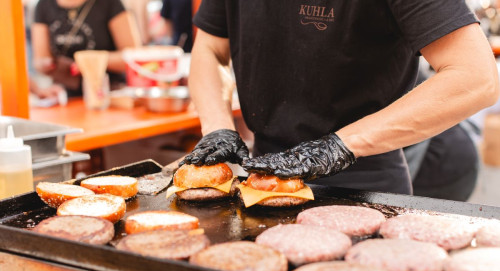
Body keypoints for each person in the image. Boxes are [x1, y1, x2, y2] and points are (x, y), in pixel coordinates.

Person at [181, 0, 500, 196]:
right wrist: (217, 127)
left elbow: (475, 76)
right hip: (262, 176)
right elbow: (210, 49)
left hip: (361, 181)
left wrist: (337, 147)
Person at [31, 0, 142, 97]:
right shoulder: (43, 5)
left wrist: (90, 61)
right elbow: (40, 59)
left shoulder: (109, 2)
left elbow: (134, 57)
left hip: (108, 93)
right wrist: (47, 64)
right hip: (65, 95)